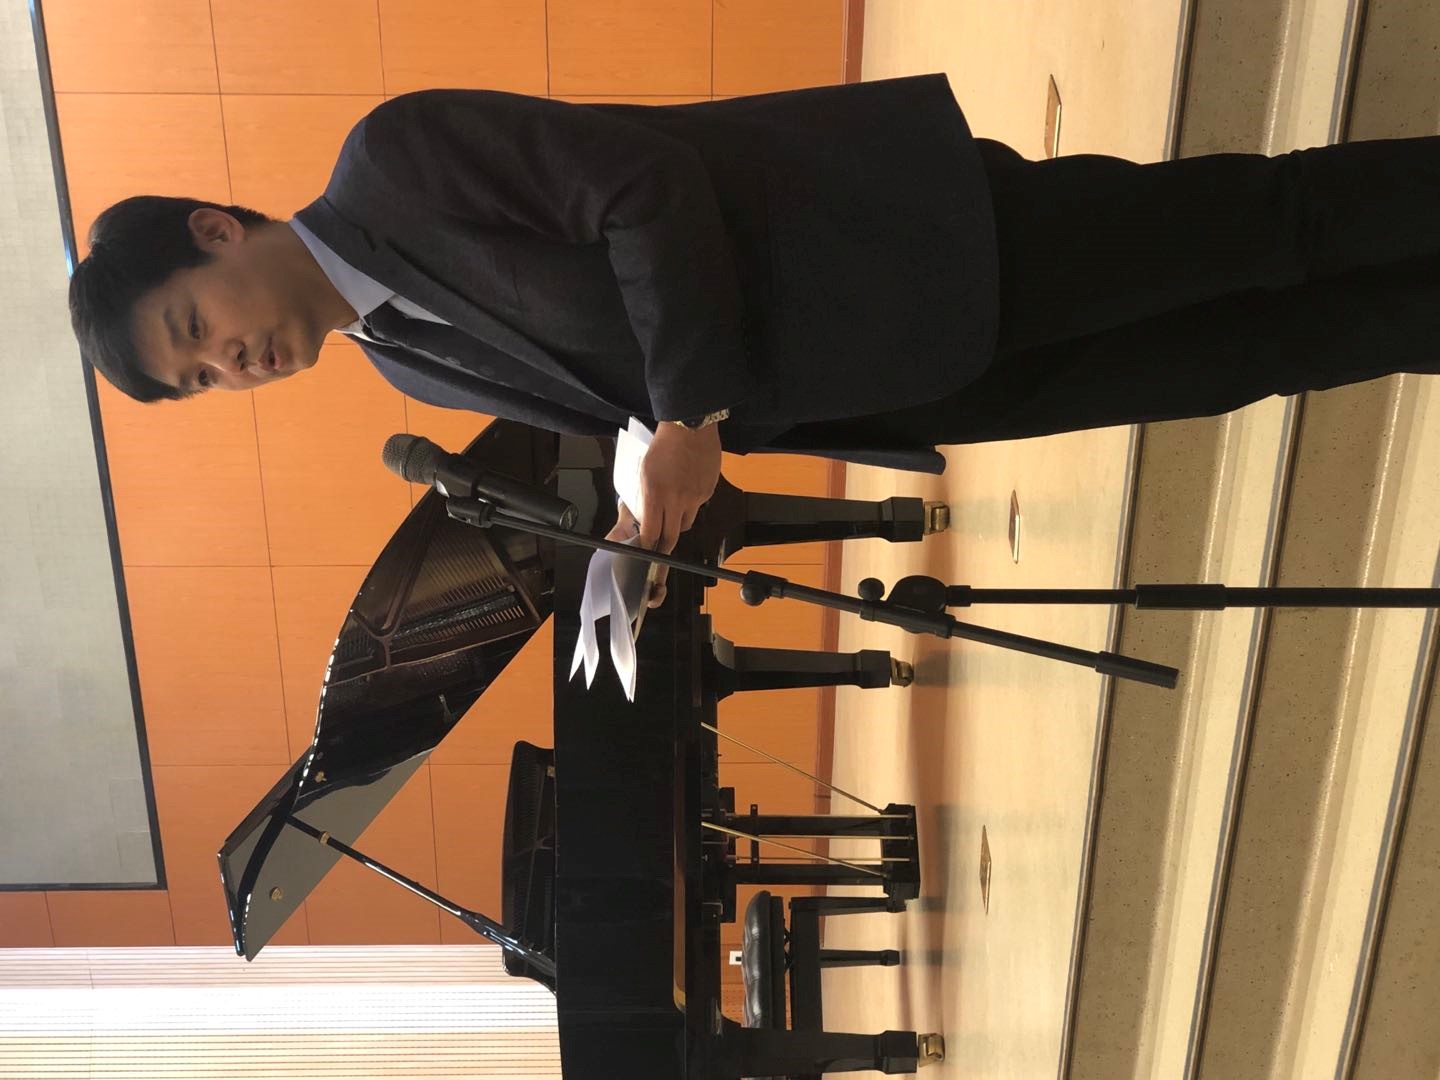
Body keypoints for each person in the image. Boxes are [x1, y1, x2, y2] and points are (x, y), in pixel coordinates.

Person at [69, 74, 1440, 604]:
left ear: (215, 231)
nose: (230, 365)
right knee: (1239, 360)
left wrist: (684, 415)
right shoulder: (399, 360)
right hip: (899, 380)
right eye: (201, 379)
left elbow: (641, 187)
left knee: (1270, 228)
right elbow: (621, 392)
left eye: (197, 329)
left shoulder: (395, 162)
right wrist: (645, 515)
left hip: (910, 244)